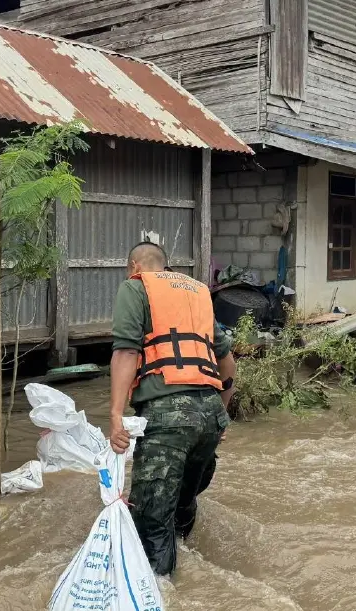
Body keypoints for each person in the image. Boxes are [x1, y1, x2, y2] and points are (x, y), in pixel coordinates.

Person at [108, 241, 237, 576]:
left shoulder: (135, 287)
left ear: (134, 266)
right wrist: (222, 417)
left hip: (167, 417)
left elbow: (126, 352)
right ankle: (189, 567)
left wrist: (115, 417)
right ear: (165, 266)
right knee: (181, 505)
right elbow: (227, 363)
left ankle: (162, 588)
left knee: (151, 523)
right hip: (210, 414)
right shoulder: (198, 292)